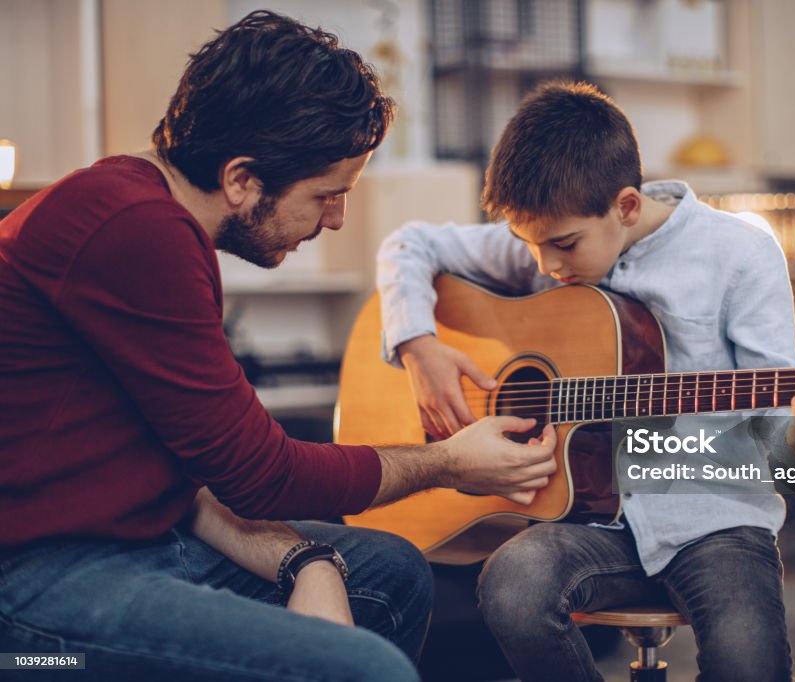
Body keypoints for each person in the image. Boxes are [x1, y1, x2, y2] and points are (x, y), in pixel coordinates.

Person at [0, 11, 556, 682]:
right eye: (326, 194)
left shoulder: (150, 216)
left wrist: (307, 559)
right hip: (39, 576)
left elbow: (204, 469)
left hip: (151, 535)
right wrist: (445, 463)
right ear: (241, 179)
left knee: (395, 572)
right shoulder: (133, 229)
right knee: (366, 670)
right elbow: (259, 473)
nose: (337, 218)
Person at [377, 81, 795, 681]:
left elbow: (777, 437)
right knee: (513, 582)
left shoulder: (739, 254)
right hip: (588, 526)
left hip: (714, 522)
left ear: (626, 206)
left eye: (564, 245)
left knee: (748, 664)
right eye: (530, 245)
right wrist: (419, 347)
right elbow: (408, 245)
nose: (545, 264)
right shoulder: (548, 231)